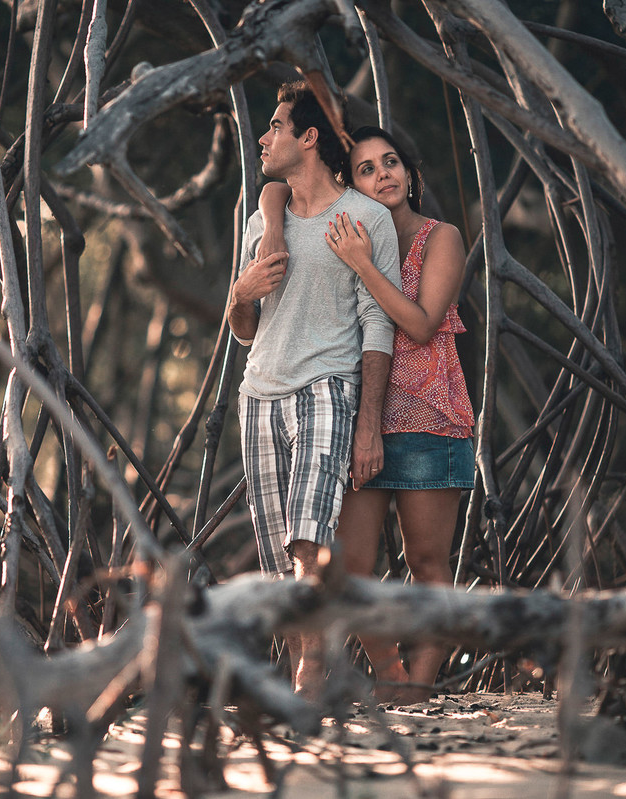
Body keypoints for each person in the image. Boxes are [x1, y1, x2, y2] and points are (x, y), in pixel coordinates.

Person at [258, 125, 475, 704]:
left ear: (410, 172)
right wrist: (274, 212)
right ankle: (392, 674)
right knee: (350, 564)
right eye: (367, 169)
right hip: (364, 418)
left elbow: (422, 324)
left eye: (392, 163)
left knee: (427, 561)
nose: (384, 176)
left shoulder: (440, 238)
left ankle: (420, 684)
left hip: (431, 418)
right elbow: (278, 190)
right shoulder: (348, 226)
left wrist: (363, 263)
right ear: (347, 180)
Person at [227, 86, 403, 700]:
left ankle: (309, 676)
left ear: (308, 138)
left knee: (309, 533)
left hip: (329, 386)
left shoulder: (366, 218)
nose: (262, 138)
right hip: (259, 397)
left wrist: (369, 424)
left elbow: (378, 325)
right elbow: (245, 330)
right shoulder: (260, 221)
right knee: (282, 557)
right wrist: (241, 294)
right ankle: (314, 665)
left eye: (274, 126)